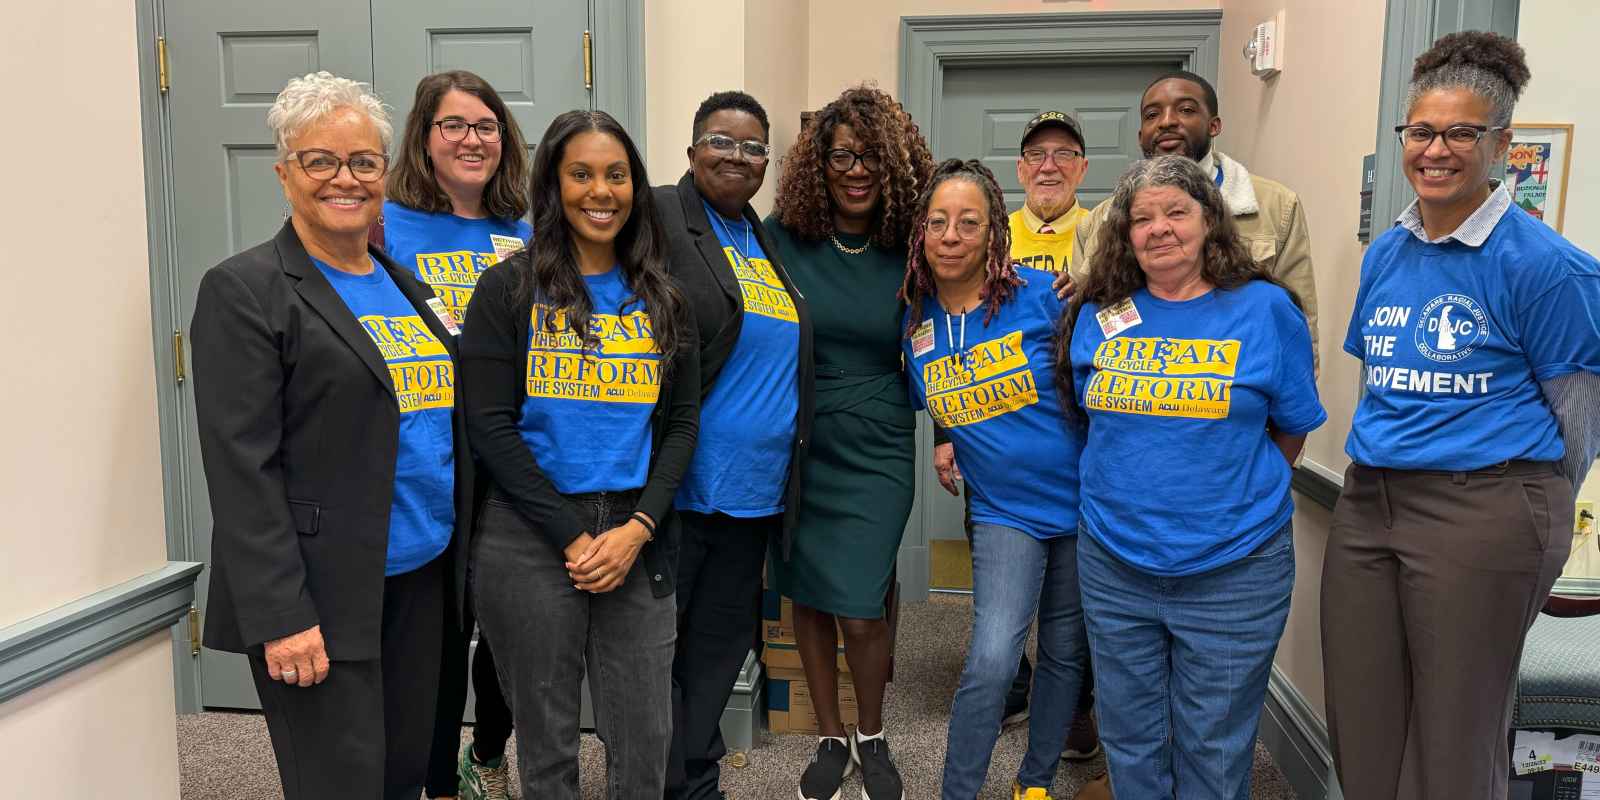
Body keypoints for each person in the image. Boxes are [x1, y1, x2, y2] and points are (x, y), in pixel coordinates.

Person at [1323, 32, 1600, 800]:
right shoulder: (1387, 254)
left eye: (1460, 132)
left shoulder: (1548, 267)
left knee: (1455, 738)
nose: (1435, 149)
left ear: (1502, 143)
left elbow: (1578, 422)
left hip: (1485, 507)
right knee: (1363, 721)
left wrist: (1514, 504)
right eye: (1420, 131)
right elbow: (1383, 384)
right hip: (1369, 500)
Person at [190, 71, 473, 800]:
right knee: (341, 783)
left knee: (405, 772)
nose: (344, 179)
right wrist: (283, 617)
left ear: (385, 172)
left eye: (363, 162)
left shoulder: (401, 281)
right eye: (321, 161)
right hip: (322, 594)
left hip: (420, 576)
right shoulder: (246, 290)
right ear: (285, 172)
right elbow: (241, 471)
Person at [1058, 155, 1325, 799]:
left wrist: (1233, 493)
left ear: (1210, 220)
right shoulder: (1098, 312)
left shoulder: (1266, 311)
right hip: (1115, 562)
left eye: (1176, 212)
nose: (1159, 229)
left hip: (1236, 568)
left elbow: (1292, 423)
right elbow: (1087, 418)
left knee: (1214, 740)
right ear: (1124, 236)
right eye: (1142, 219)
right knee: (1129, 735)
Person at [458, 109, 699, 800]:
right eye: (582, 174)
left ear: (636, 186)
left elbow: (681, 425)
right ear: (553, 186)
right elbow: (491, 427)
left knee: (644, 739)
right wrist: (572, 536)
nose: (602, 191)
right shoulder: (506, 289)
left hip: (635, 534)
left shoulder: (664, 298)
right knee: (547, 742)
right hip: (529, 533)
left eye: (617, 175)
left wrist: (636, 531)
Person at [899, 159, 1087, 800]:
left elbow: (1095, 379)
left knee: (1065, 650)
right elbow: (942, 398)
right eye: (938, 222)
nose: (950, 235)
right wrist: (947, 438)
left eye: (968, 222)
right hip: (1005, 510)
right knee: (993, 658)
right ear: (921, 232)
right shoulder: (911, 322)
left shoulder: (1042, 295)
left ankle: (1034, 782)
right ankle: (959, 790)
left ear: (993, 235)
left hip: (1088, 502)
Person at [766, 84, 934, 800]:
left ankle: (874, 731)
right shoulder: (782, 239)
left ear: (893, 167)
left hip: (879, 440)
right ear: (819, 164)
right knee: (807, 590)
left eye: (871, 157)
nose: (856, 169)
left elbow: (949, 340)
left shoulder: (912, 249)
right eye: (842, 156)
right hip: (801, 435)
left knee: (862, 600)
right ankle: (831, 737)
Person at [655, 91, 812, 800]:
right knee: (661, 649)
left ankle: (693, 775)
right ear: (692, 151)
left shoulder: (763, 237)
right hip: (680, 485)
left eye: (754, 147)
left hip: (755, 491)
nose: (738, 157)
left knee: (719, 648)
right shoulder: (658, 215)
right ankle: (671, 781)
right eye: (723, 141)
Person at [933, 110, 1101, 760]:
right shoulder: (987, 235)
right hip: (998, 473)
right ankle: (1010, 694)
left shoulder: (1102, 232)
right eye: (1036, 154)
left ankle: (1067, 727)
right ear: (1021, 170)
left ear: (1081, 168)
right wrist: (947, 430)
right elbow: (951, 352)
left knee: (1069, 629)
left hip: (1076, 468)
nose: (1049, 164)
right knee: (998, 628)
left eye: (1064, 153)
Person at [382, 69, 529, 800]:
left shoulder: (528, 231)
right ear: (425, 137)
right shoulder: (384, 225)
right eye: (455, 125)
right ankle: (438, 779)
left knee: (508, 629)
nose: (473, 139)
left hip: (513, 459)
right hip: (431, 463)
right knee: (439, 640)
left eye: (487, 126)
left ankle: (491, 753)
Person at [1063, 71, 1319, 367]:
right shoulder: (1100, 220)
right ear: (1140, 134)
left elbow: (1300, 326)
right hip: (1130, 391)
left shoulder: (1276, 206)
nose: (1167, 121)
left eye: (1185, 110)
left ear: (1214, 125)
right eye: (1152, 115)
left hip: (1233, 393)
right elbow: (1086, 320)